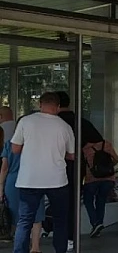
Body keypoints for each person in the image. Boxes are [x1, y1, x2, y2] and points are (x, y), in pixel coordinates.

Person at [11, 92, 75, 253]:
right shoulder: (64, 126)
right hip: (57, 179)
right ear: (58, 107)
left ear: (40, 104)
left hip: (29, 178)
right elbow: (71, 155)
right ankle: (60, 250)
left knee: (25, 220)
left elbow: (15, 149)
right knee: (60, 220)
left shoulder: (26, 121)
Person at [56, 91, 103, 251]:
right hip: (77, 167)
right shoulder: (81, 122)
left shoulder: (54, 123)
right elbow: (99, 141)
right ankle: (70, 236)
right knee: (73, 201)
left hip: (54, 167)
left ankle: (53, 233)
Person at [0, 116, 44, 252]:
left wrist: (0, 187)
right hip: (34, 181)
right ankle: (35, 247)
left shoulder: (9, 144)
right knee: (36, 216)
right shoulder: (38, 145)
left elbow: (4, 168)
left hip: (13, 183)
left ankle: (19, 245)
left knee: (16, 217)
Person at [82, 137, 118, 238]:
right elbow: (116, 159)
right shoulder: (106, 144)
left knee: (88, 200)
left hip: (91, 179)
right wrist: (107, 167)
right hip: (108, 178)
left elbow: (82, 165)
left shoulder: (85, 148)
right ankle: (98, 226)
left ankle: (95, 223)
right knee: (101, 200)